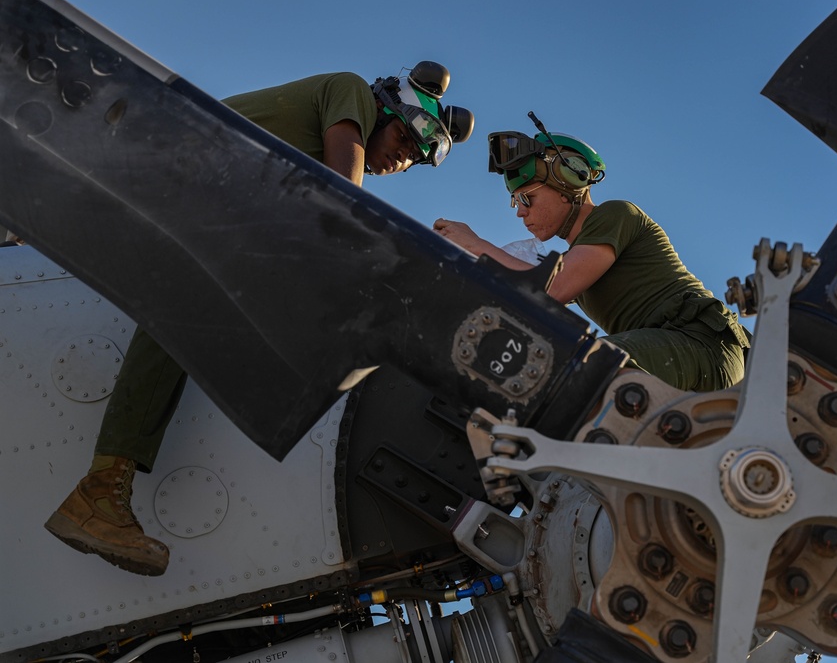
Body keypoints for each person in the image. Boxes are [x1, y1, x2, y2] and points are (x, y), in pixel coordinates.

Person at [44, 62, 475, 576]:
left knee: (203, 311)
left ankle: (100, 489)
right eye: (406, 139)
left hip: (177, 186)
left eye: (414, 161)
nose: (404, 160)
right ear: (386, 108)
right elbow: (343, 198)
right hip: (162, 167)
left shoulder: (286, 183)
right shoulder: (352, 92)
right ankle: (98, 490)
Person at [433, 125, 749, 392]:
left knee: (584, 367)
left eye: (527, 197)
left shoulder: (616, 214)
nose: (519, 211)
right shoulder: (572, 259)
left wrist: (476, 244)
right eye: (514, 200)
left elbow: (549, 290)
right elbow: (528, 297)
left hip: (704, 344)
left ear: (568, 181)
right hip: (673, 348)